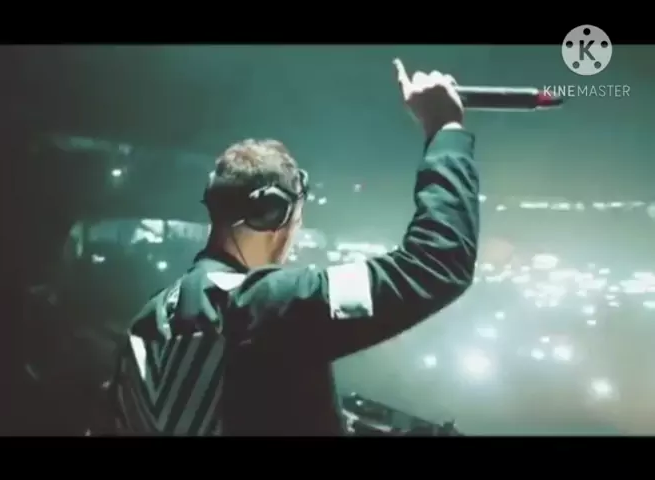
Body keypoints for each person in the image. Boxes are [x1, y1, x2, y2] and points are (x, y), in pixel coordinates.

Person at [109, 58, 480, 435]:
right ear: (275, 214)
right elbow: (436, 263)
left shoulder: (147, 322)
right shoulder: (273, 303)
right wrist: (445, 130)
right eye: (298, 220)